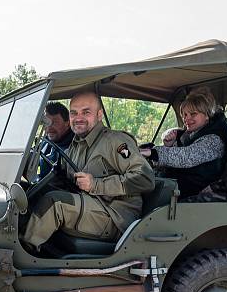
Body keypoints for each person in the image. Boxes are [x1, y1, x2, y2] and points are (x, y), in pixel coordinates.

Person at [22, 91, 155, 251]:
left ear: (99, 115)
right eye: (74, 113)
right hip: (90, 205)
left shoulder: (116, 142)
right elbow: (61, 176)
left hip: (114, 215)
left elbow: (145, 178)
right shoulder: (76, 144)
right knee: (30, 193)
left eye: (86, 112)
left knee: (55, 202)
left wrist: (96, 184)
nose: (78, 118)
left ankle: (22, 255)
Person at [139, 87, 227, 198]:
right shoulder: (188, 135)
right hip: (179, 186)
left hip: (196, 194)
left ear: (207, 115)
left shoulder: (214, 140)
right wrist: (169, 145)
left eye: (193, 114)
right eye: (185, 115)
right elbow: (173, 158)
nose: (187, 119)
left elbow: (186, 157)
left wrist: (152, 153)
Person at [37, 102, 74, 179]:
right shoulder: (45, 142)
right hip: (40, 186)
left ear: (68, 123)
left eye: (55, 122)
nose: (49, 127)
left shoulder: (75, 147)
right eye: (46, 122)